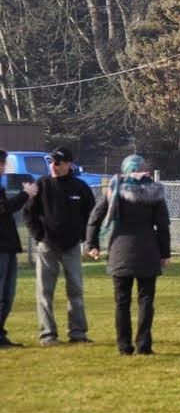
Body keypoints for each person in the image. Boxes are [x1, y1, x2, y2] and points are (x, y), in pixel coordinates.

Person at [86, 154, 171, 356]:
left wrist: (92, 243)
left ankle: (124, 347)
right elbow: (163, 226)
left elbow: (95, 217)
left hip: (119, 251)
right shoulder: (155, 192)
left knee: (122, 303)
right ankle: (144, 346)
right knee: (146, 301)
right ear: (144, 170)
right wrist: (165, 253)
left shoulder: (113, 189)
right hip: (148, 252)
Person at [23, 147, 95, 345]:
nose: (53, 166)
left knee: (76, 290)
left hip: (71, 247)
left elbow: (92, 216)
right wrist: (39, 236)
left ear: (69, 164)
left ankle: (78, 333)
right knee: (45, 292)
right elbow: (28, 213)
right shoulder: (42, 184)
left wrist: (83, 237)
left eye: (58, 162)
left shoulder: (80, 187)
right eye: (51, 162)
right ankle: (48, 335)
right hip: (47, 246)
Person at [0, 162, 29, 348]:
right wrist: (25, 194)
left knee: (8, 295)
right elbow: (4, 208)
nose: (3, 167)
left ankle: (1, 334)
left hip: (8, 245)